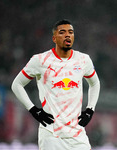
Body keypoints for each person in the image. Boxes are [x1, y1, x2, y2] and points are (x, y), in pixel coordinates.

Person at [11, 19, 100, 150]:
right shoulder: (40, 60)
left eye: (70, 32)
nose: (67, 35)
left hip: (77, 134)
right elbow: (17, 84)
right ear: (54, 38)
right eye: (62, 32)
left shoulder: (83, 60)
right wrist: (34, 110)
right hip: (51, 135)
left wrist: (90, 110)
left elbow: (95, 83)